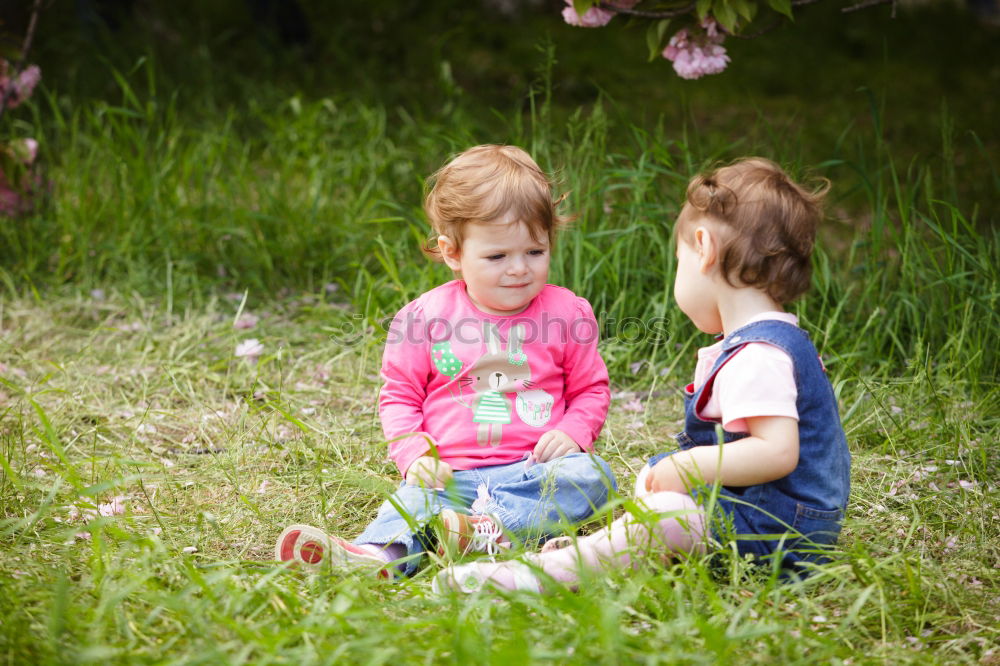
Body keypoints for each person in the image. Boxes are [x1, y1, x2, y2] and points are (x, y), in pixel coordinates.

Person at [434, 157, 852, 593]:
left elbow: (778, 452)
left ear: (703, 249)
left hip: (779, 541)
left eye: (679, 260)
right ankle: (605, 549)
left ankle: (533, 577)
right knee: (656, 483)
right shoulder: (768, 341)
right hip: (758, 520)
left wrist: (689, 467)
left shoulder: (759, 355)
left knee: (668, 512)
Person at [275, 144, 616, 577]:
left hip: (534, 471)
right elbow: (399, 396)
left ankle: (492, 531)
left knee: (591, 477)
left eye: (535, 252)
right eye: (497, 256)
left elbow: (590, 389)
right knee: (412, 502)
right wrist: (416, 454)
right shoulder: (424, 319)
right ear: (452, 252)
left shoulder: (567, 313)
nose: (519, 269)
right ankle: (378, 559)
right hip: (449, 477)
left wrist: (573, 430)